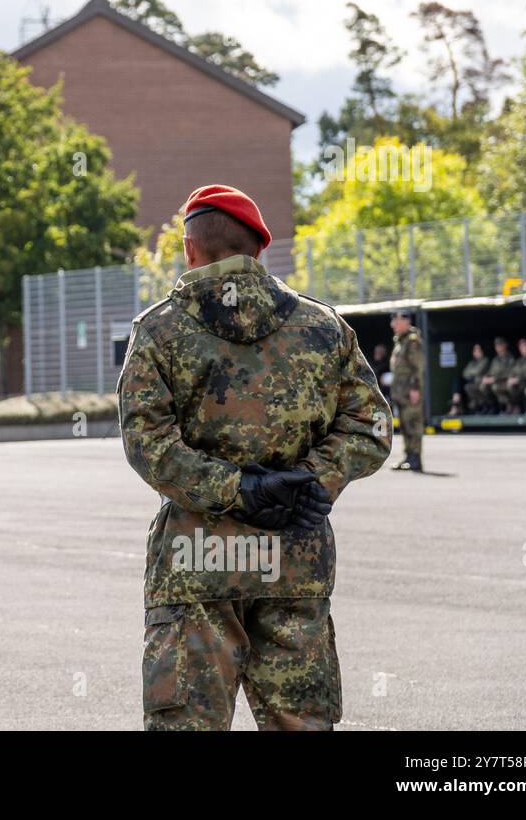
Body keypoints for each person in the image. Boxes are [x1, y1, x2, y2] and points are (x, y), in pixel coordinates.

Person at [118, 184, 391, 731]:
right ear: (259, 251)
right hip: (293, 556)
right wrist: (312, 481)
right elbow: (372, 424)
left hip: (199, 559)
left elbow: (148, 443)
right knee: (301, 722)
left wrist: (237, 490)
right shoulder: (323, 328)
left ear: (191, 249)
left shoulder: (160, 330)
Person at [389, 310, 425, 472]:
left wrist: (415, 388)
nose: (393, 325)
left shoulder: (412, 341)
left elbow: (418, 367)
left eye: (396, 321)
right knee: (404, 424)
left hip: (410, 391)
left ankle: (416, 458)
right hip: (400, 391)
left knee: (413, 424)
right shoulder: (401, 342)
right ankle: (409, 456)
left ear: (405, 322)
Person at [483, 337, 515, 414]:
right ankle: (491, 406)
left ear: (505, 345)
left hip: (504, 381)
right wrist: (486, 377)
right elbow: (490, 371)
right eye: (496, 346)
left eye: (500, 345)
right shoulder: (495, 359)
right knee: (483, 386)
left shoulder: (510, 358)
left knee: (495, 387)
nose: (498, 348)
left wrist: (495, 378)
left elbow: (509, 372)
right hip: (494, 381)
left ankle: (508, 405)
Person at [505, 338, 526, 414]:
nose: (523, 349)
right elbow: (513, 371)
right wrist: (511, 379)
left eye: (525, 346)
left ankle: (518, 407)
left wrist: (517, 379)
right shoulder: (519, 361)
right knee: (508, 386)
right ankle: (513, 406)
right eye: (521, 347)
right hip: (519, 383)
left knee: (521, 388)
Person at [460, 343, 490, 415]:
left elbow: (478, 371)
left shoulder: (485, 360)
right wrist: (472, 373)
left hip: (483, 383)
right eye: (475, 351)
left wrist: (471, 373)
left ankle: (486, 406)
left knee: (482, 387)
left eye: (478, 351)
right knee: (467, 387)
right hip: (474, 383)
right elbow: (465, 373)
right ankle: (477, 408)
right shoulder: (472, 362)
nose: (476, 353)